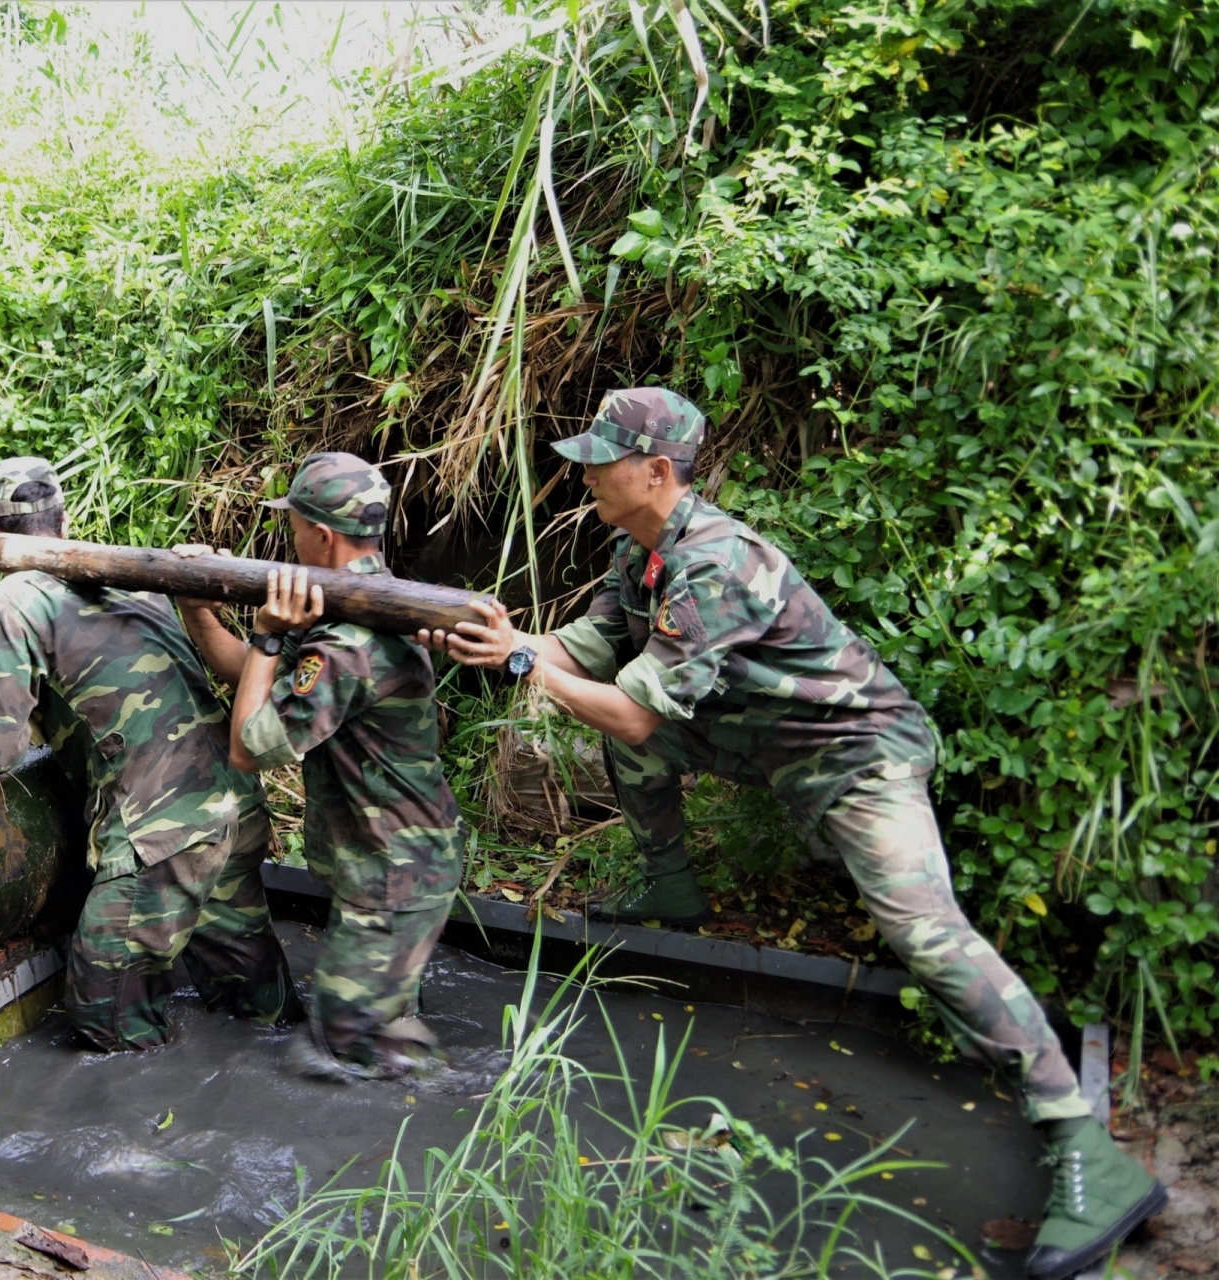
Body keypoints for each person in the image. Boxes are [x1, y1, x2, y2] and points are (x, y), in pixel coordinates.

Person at [420, 387, 1164, 1278]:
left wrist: (521, 663)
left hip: (859, 758)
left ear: (654, 471)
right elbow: (582, 649)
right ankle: (670, 886)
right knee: (634, 737)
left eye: (600, 458)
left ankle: (1085, 1145)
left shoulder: (717, 562)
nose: (583, 473)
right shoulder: (641, 555)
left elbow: (631, 716)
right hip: (766, 745)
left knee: (925, 934)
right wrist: (499, 636)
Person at [0, 457, 298, 1050]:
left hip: (162, 832)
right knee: (256, 1003)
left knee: (105, 1020)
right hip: (234, 807)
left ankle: (163, 1129)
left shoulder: (14, 598)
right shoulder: (125, 570)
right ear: (62, 519)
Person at [183, 452, 466, 1081]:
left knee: (343, 1043)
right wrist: (200, 610)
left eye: (295, 526)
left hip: (392, 875)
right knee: (379, 1032)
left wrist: (266, 634)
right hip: (396, 863)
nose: (291, 538)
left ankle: (457, 1111)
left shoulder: (349, 643)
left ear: (322, 535)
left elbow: (248, 748)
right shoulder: (365, 607)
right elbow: (260, 691)